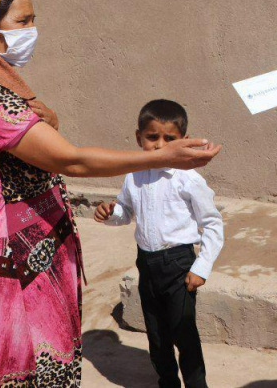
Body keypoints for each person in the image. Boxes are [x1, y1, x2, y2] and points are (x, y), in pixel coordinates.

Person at [0, 0, 221, 388]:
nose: (32, 31)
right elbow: (73, 161)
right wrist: (164, 156)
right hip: (19, 260)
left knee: (52, 367)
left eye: (34, 19)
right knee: (28, 370)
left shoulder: (1, 92)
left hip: (41, 251)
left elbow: (42, 145)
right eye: (22, 21)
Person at [93, 99, 224, 388]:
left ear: (184, 142)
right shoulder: (133, 175)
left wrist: (201, 266)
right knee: (156, 332)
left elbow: (213, 224)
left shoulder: (188, 179)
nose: (160, 144)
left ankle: (196, 384)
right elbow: (126, 212)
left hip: (179, 264)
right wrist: (110, 213)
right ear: (139, 137)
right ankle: (167, 381)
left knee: (183, 331)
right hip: (147, 264)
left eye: (170, 138)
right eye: (152, 137)